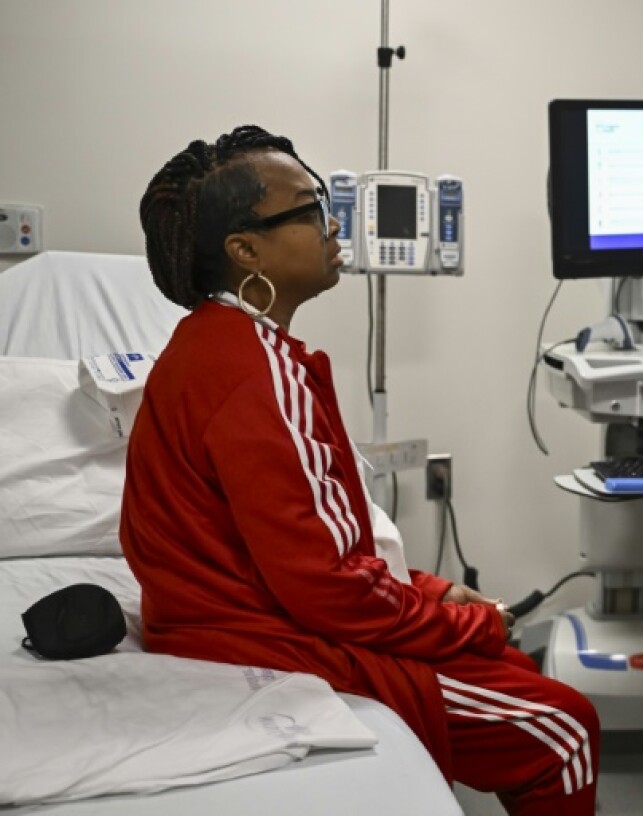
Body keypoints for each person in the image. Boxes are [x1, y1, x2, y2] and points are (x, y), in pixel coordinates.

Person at [121, 125, 599, 816]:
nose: (334, 223)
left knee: (513, 668)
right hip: (260, 640)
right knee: (564, 727)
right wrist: (472, 625)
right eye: (311, 208)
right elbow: (326, 587)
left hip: (223, 620)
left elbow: (315, 547)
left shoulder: (215, 346)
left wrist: (433, 591)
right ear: (245, 250)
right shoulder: (255, 372)